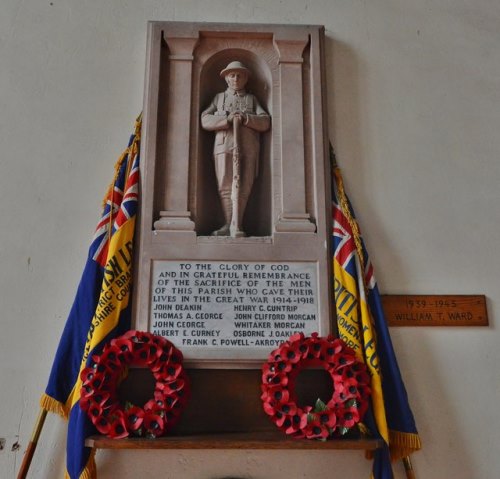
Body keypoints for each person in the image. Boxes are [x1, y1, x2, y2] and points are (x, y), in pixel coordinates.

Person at [201, 61, 270, 236]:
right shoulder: (219, 98)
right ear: (226, 78)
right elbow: (205, 120)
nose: (236, 78)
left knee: (244, 185)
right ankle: (228, 223)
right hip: (224, 146)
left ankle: (237, 223)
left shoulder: (251, 100)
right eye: (232, 75)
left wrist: (247, 118)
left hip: (248, 147)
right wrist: (226, 119)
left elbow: (265, 121)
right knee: (225, 185)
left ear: (246, 78)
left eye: (240, 75)